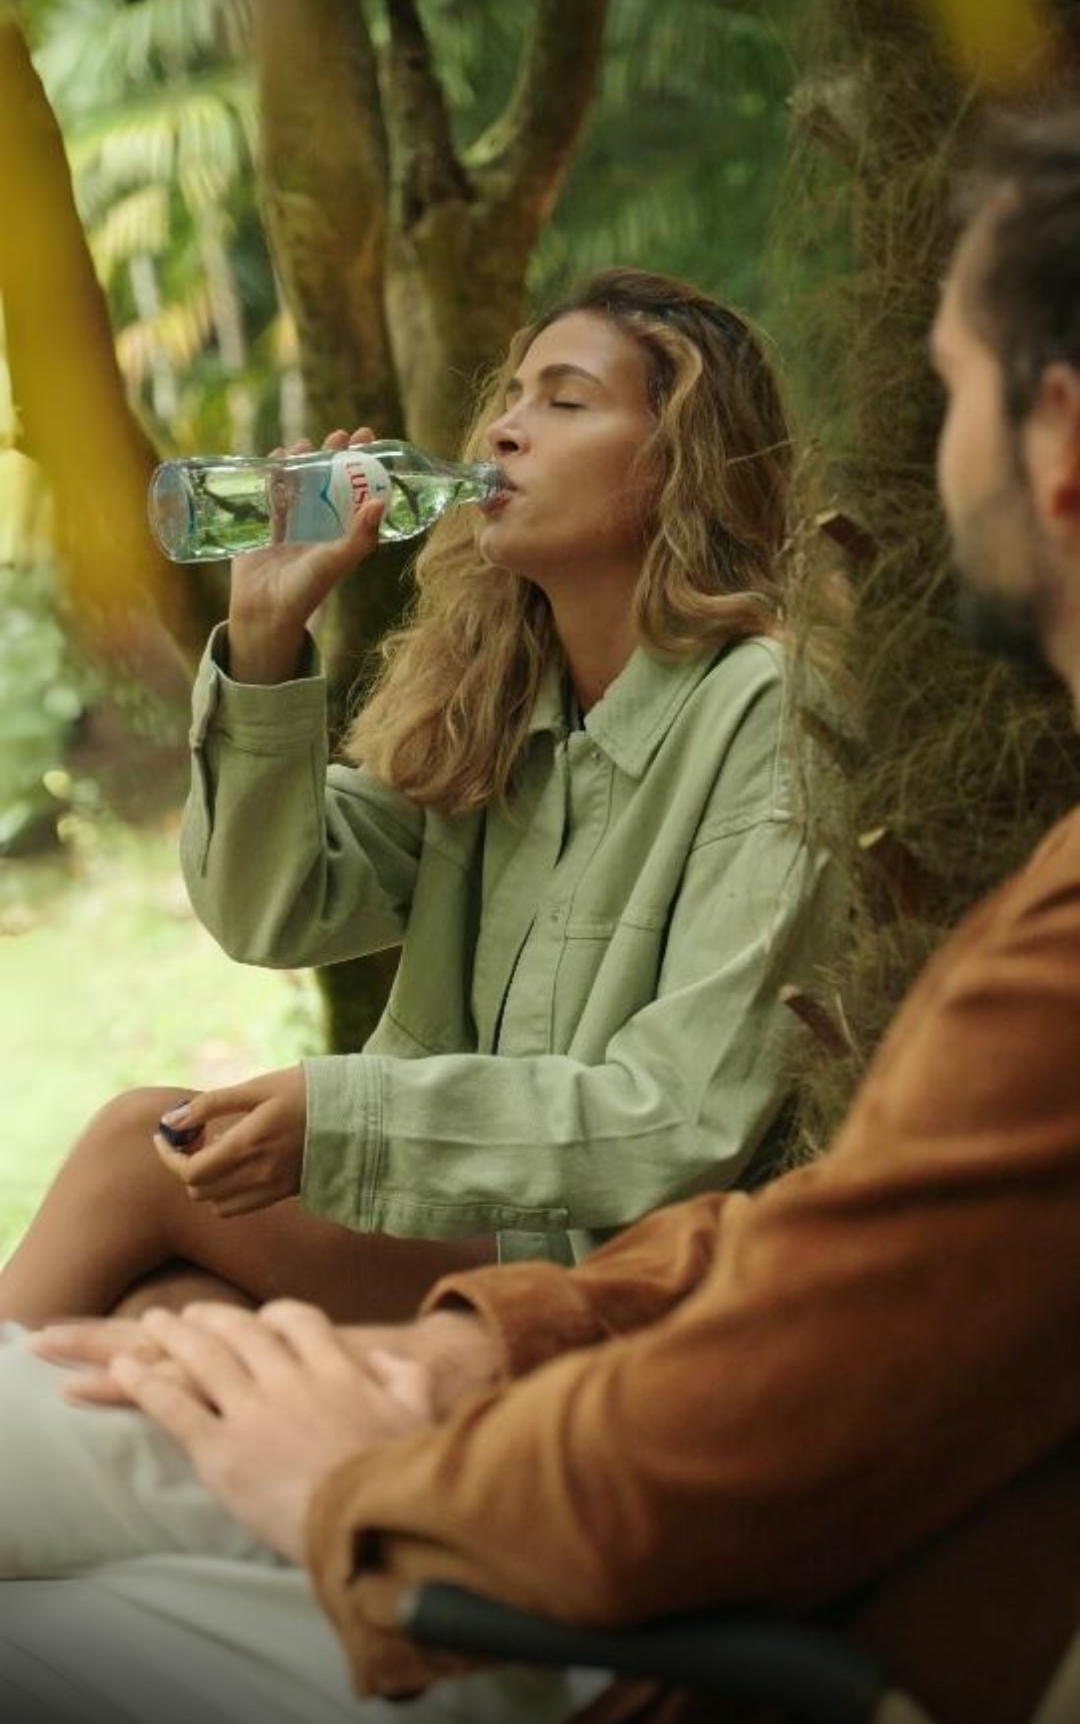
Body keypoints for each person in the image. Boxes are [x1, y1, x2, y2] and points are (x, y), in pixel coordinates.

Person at [0, 269, 843, 1334]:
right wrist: (264, 637)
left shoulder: (767, 718)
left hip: (632, 1275)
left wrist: (345, 1121)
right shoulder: (498, 709)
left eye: (565, 401)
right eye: (512, 397)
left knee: (142, 1154)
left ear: (681, 459)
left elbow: (678, 1118)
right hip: (467, 1229)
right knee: (168, 1312)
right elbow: (273, 912)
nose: (504, 432)